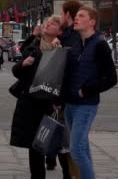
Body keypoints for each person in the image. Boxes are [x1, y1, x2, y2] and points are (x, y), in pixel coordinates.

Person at [10, 16, 71, 179]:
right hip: (32, 103)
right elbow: (16, 71)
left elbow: (66, 79)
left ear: (59, 31)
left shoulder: (63, 49)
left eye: (53, 24)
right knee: (35, 146)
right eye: (46, 23)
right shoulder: (34, 46)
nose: (47, 24)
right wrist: (23, 64)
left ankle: (69, 174)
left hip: (52, 104)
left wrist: (61, 103)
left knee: (60, 144)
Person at [63, 6, 117, 179]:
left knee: (76, 149)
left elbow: (111, 78)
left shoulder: (100, 45)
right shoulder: (77, 43)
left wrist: (85, 90)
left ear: (92, 22)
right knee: (82, 147)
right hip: (70, 104)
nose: (76, 18)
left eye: (81, 16)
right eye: (76, 15)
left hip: (85, 104)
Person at [45, 0, 83, 172]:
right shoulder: (68, 35)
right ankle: (68, 170)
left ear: (67, 14)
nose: (60, 16)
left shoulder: (72, 37)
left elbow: (69, 67)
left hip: (68, 96)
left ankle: (74, 173)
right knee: (67, 138)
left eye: (61, 13)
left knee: (71, 142)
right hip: (62, 95)